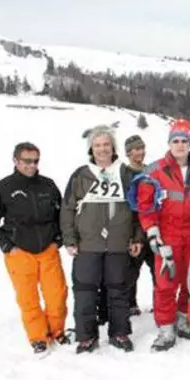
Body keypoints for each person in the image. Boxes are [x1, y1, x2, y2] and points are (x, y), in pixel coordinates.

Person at [135, 119, 190, 351]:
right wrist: (152, 232)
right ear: (169, 143)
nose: (181, 145)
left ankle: (182, 318)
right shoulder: (154, 170)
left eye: (184, 141)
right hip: (168, 236)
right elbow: (145, 206)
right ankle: (166, 328)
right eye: (176, 141)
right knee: (165, 283)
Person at [0, 142, 69, 355]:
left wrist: (59, 240)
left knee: (57, 296)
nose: (32, 165)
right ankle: (38, 337)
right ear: (16, 161)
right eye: (27, 161)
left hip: (47, 251)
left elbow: (63, 216)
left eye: (35, 161)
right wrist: (7, 246)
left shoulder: (48, 186)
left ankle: (56, 331)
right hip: (19, 253)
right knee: (28, 299)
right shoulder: (1, 189)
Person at [61, 125, 143, 353]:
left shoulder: (126, 174)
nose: (102, 149)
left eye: (106, 144)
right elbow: (67, 208)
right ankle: (86, 336)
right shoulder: (81, 174)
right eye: (97, 145)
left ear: (113, 147)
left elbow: (138, 209)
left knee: (118, 290)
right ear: (91, 149)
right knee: (85, 291)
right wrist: (69, 238)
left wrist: (137, 237)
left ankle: (119, 333)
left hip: (118, 243)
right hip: (88, 244)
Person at [123, 135, 155, 316]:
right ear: (128, 152)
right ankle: (130, 303)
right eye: (135, 149)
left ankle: (159, 302)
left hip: (150, 224)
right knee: (132, 269)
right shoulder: (124, 174)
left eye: (141, 148)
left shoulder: (150, 171)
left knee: (156, 268)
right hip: (133, 226)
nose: (140, 152)